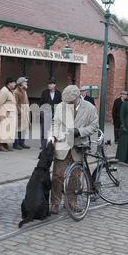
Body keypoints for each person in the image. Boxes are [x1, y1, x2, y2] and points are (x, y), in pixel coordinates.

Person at [47, 85, 98, 214]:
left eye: (70, 102)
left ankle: (71, 202)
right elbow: (55, 123)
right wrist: (53, 135)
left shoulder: (90, 108)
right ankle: (55, 203)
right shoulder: (60, 106)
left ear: (78, 97)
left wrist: (79, 131)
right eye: (66, 102)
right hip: (63, 145)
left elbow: (94, 126)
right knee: (57, 175)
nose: (68, 104)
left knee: (75, 177)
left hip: (78, 147)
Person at [0, 77, 17, 152]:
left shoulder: (10, 91)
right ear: (9, 83)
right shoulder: (4, 91)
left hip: (9, 114)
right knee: (2, 129)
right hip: (4, 113)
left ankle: (5, 144)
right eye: (14, 82)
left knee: (7, 130)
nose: (15, 84)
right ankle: (0, 145)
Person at [39, 77, 62, 149]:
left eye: (51, 84)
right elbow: (41, 103)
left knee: (53, 130)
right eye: (48, 84)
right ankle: (43, 145)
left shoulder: (58, 93)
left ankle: (51, 144)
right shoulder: (44, 92)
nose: (49, 85)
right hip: (45, 113)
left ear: (54, 85)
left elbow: (60, 104)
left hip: (55, 114)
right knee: (44, 130)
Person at [13, 77, 31, 150]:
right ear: (21, 83)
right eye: (25, 82)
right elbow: (15, 103)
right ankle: (16, 144)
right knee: (17, 129)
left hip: (25, 113)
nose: (26, 83)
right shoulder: (16, 92)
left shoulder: (24, 91)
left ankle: (22, 142)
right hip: (19, 113)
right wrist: (20, 111)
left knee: (23, 129)